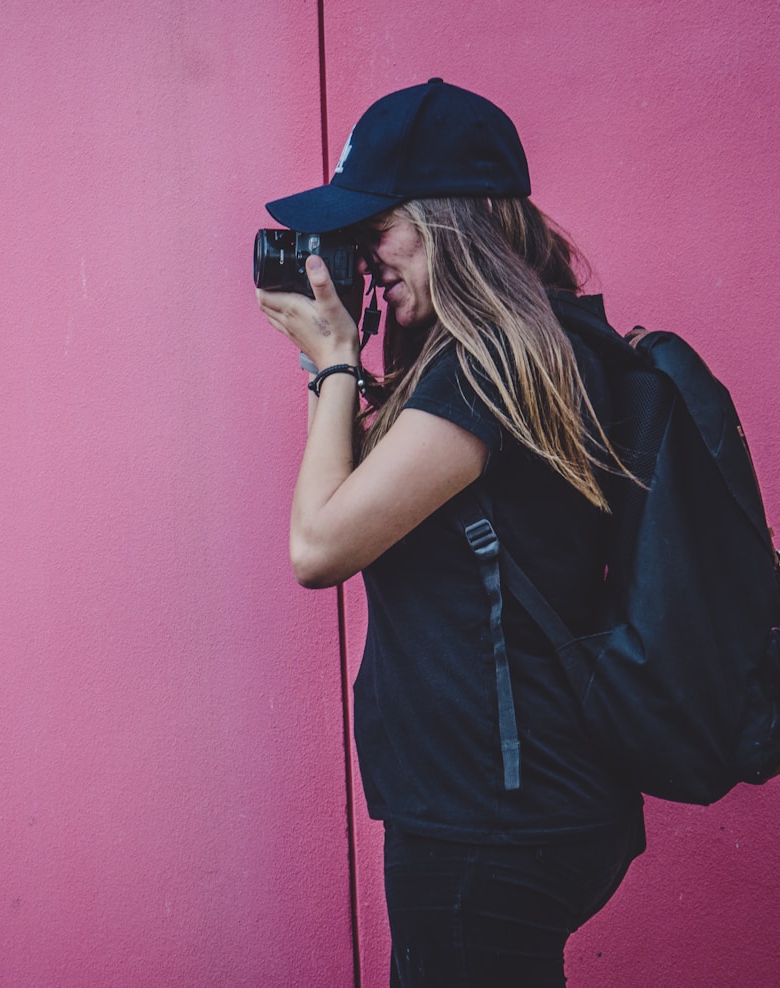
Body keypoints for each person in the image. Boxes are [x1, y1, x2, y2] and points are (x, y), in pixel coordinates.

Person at [256, 78, 645, 987]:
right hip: (523, 798)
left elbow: (320, 547)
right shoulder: (538, 345)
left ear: (450, 221)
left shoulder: (488, 368)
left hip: (489, 818)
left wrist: (336, 365)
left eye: (377, 225)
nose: (364, 254)